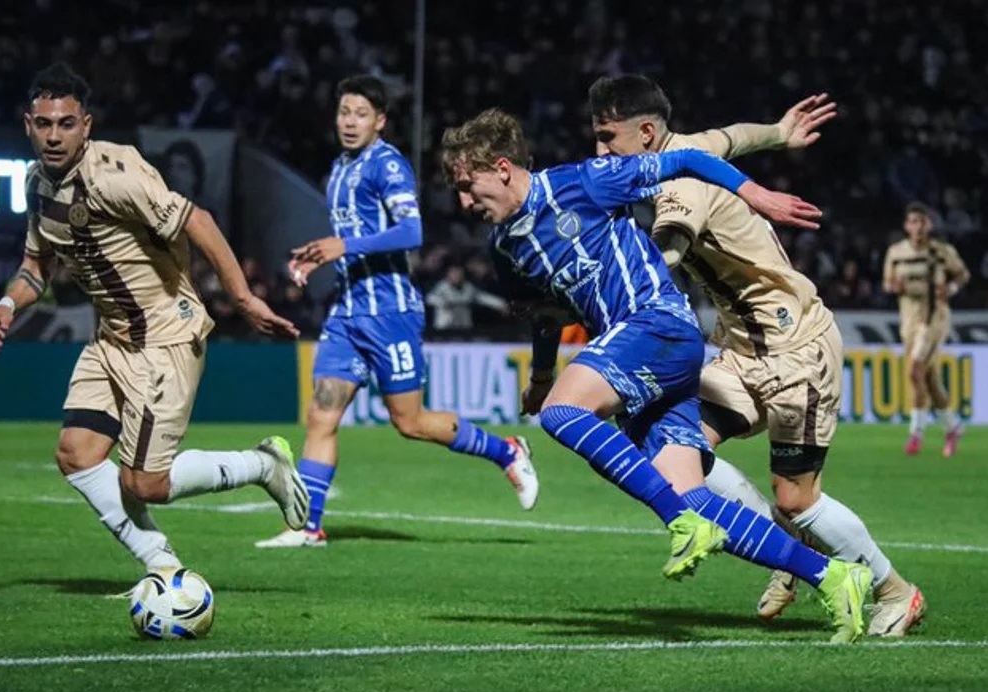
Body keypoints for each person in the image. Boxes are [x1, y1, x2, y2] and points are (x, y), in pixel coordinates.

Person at [443, 107, 872, 644]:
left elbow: (687, 159)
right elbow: (547, 314)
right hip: (643, 356)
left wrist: (755, 194)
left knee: (563, 412)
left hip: (656, 323)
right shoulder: (506, 248)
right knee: (690, 494)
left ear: (502, 168)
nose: (463, 203)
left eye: (467, 186)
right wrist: (540, 372)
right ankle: (835, 576)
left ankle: (680, 521)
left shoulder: (581, 183)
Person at [588, 74, 924, 637]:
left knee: (795, 499)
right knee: (674, 446)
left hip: (797, 352)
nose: (599, 152)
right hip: (743, 349)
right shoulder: (686, 148)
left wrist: (608, 284)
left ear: (646, 133)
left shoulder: (680, 185)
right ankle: (785, 554)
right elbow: (733, 137)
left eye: (607, 137)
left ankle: (896, 591)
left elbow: (669, 247)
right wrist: (778, 132)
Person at [0, 63, 309, 581]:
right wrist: (7, 305)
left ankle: (263, 465)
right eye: (44, 124)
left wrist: (242, 298)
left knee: (146, 484)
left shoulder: (118, 175)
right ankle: (165, 571)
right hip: (111, 337)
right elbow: (36, 265)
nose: (53, 135)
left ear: (86, 125)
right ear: (28, 125)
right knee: (77, 454)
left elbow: (196, 220)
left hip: (164, 338)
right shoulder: (36, 183)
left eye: (66, 123)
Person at [256, 76, 539, 550]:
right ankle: (308, 527)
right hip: (348, 313)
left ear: (380, 120)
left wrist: (343, 245)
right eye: (344, 111)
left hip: (390, 312)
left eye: (360, 113)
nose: (350, 121)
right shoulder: (339, 169)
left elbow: (411, 232)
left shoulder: (387, 165)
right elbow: (347, 243)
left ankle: (506, 450)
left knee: (408, 422)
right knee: (321, 416)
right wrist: (315, 258)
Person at [882, 203, 970, 456]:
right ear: (906, 226)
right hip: (908, 320)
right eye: (913, 221)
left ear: (929, 225)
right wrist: (894, 287)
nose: (918, 226)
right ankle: (953, 426)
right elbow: (888, 283)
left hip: (934, 318)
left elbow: (962, 275)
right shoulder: (896, 252)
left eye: (922, 221)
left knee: (913, 370)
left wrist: (950, 289)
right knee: (928, 379)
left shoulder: (942, 251)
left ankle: (915, 434)